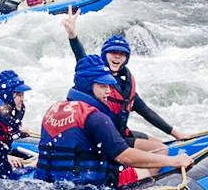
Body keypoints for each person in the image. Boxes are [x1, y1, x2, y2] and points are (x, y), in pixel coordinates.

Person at [35, 55, 192, 189]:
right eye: (103, 86)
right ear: (86, 86)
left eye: (109, 85)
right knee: (152, 167)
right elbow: (126, 157)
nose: (109, 91)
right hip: (90, 188)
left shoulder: (53, 109)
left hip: (52, 184)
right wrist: (174, 161)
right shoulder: (95, 117)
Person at [62, 8, 187, 155]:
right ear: (104, 55)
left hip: (120, 134)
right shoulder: (93, 78)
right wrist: (73, 36)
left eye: (122, 54)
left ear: (126, 59)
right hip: (102, 139)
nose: (117, 57)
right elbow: (81, 58)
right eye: (113, 53)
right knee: (159, 150)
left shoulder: (126, 84)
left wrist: (177, 135)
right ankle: (141, 176)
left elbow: (146, 112)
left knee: (158, 143)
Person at [0, 69, 32, 145]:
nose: (22, 99)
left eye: (23, 94)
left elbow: (14, 128)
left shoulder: (14, 107)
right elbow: (7, 135)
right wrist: (18, 133)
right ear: (8, 95)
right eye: (19, 95)